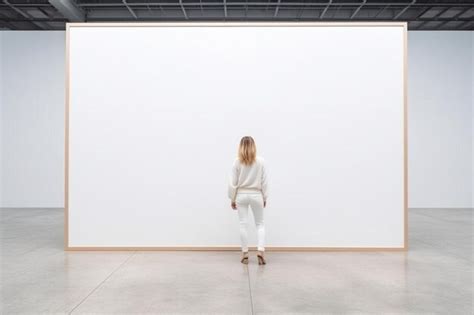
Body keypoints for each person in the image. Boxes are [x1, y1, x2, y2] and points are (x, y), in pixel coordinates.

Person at [228, 136, 268, 265]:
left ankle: (245, 253)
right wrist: (265, 197)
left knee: (243, 224)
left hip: (241, 195)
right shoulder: (261, 161)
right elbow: (264, 182)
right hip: (256, 194)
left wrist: (233, 198)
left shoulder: (237, 162)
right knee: (260, 224)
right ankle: (260, 251)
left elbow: (232, 183)